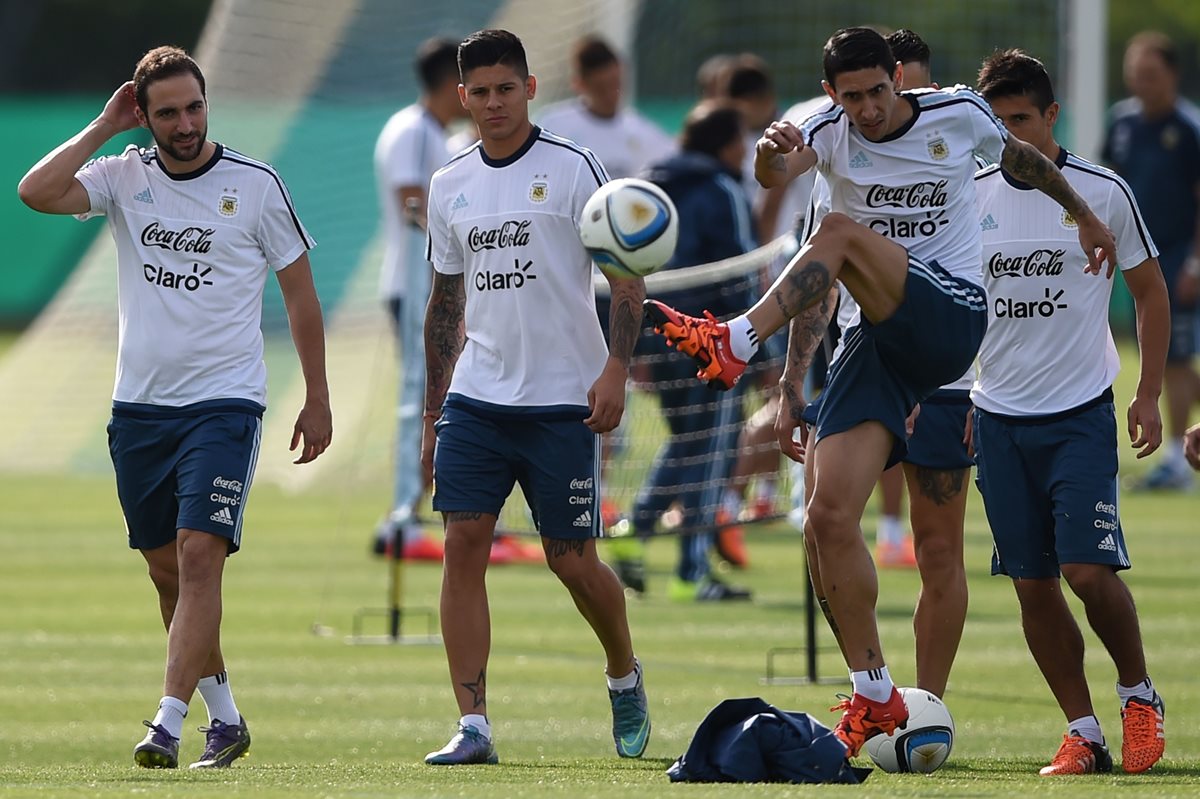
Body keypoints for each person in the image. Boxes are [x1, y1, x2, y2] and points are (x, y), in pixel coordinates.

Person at [644, 27, 1117, 758]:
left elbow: (1023, 160)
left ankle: (733, 340)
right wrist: (795, 384)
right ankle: (874, 692)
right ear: (832, 93)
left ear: (897, 80)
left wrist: (1081, 213)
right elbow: (783, 186)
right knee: (824, 516)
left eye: (877, 92)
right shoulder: (824, 127)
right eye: (851, 96)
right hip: (876, 344)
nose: (865, 109)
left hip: (951, 322)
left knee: (938, 549)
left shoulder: (956, 113)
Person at [17, 46, 331, 768]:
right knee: (169, 573)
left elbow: (301, 294)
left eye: (194, 107)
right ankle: (226, 718)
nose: (186, 123)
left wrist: (316, 395)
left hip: (224, 403)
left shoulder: (255, 184)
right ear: (144, 115)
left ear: (206, 103)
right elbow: (35, 191)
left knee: (198, 557)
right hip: (140, 411)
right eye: (167, 112)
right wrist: (101, 127)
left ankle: (165, 721)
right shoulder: (124, 176)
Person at [420, 29, 649, 765]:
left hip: (562, 400)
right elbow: (444, 303)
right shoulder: (449, 182)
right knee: (462, 546)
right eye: (479, 93)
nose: (493, 104)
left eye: (505, 89)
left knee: (572, 560)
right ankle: (474, 723)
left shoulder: (577, 167)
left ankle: (623, 673)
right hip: (478, 399)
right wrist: (434, 411)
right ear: (463, 98)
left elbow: (627, 280)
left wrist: (614, 370)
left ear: (530, 88)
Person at [973, 49, 1169, 776]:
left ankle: (1138, 692)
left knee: (1087, 572)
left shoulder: (1102, 190)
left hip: (1080, 411)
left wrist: (1147, 392)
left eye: (1021, 120)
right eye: (997, 124)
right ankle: (1083, 731)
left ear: (1052, 116)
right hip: (995, 414)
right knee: (1032, 582)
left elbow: (1149, 291)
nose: (1010, 137)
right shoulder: (969, 192)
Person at [623, 100, 757, 601]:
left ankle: (633, 535)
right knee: (709, 447)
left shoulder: (649, 185)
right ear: (726, 145)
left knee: (686, 442)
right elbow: (740, 271)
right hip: (707, 336)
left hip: (654, 332)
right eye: (741, 141)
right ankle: (691, 571)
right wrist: (756, 345)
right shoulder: (722, 188)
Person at [371, 37, 467, 562]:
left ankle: (432, 505)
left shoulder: (440, 134)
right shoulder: (411, 129)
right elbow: (411, 202)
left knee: (443, 396)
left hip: (435, 286)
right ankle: (404, 516)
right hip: (415, 285)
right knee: (417, 394)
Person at [1103, 31, 1200, 491]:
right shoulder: (1121, 123)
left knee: (1176, 358)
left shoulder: (1188, 129)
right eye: (1135, 74)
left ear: (1172, 74)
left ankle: (1179, 463)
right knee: (1157, 351)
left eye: (1151, 74)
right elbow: (1106, 183)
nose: (1142, 83)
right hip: (1132, 255)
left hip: (1178, 255)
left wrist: (1195, 264)